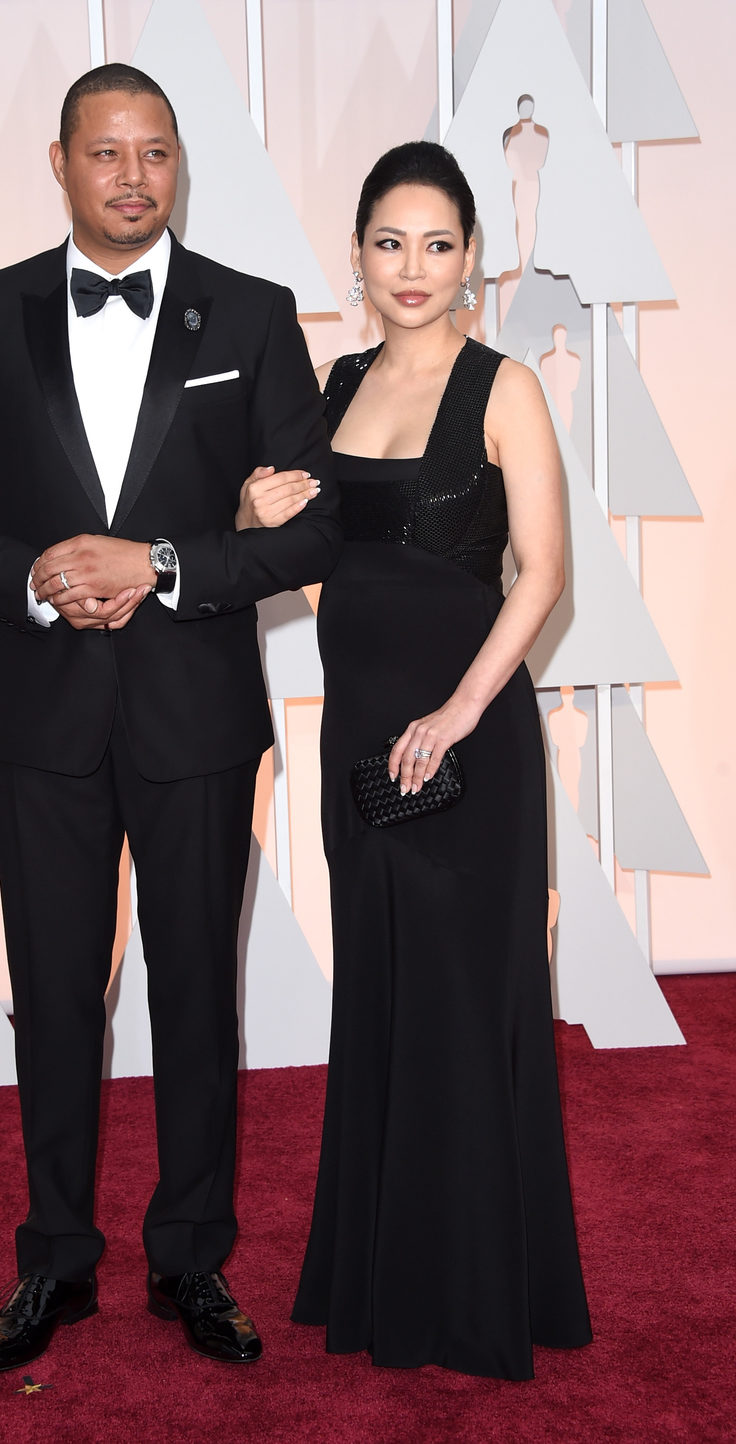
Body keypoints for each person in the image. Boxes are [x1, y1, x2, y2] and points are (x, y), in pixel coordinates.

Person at [0, 63, 338, 1373]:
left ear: (177, 164)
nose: (134, 176)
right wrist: (27, 580)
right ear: (60, 161)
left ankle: (193, 1259)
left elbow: (311, 526)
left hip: (197, 713)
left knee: (199, 993)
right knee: (54, 997)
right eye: (107, 153)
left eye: (156, 153)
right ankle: (56, 1265)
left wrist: (170, 565)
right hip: (40, 716)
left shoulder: (251, 316)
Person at [245, 141, 591, 1379]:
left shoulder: (504, 389)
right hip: (359, 738)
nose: (412, 267)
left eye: (437, 244)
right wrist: (255, 514)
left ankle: (476, 1292)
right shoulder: (335, 386)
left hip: (467, 740)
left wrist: (454, 713)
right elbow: (306, 548)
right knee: (384, 996)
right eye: (389, 242)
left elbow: (543, 574)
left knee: (465, 996)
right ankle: (386, 1276)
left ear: (472, 261)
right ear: (358, 255)